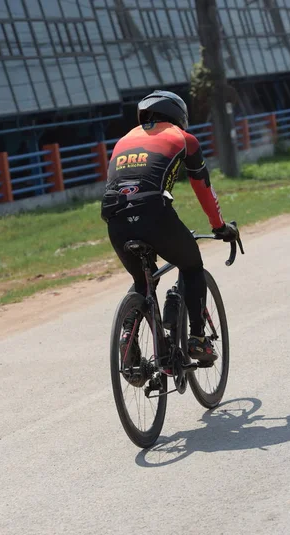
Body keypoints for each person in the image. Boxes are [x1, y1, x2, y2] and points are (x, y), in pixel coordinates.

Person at [101, 90, 238, 364]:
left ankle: (128, 334)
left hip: (114, 217)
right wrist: (219, 226)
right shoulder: (184, 138)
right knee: (191, 266)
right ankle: (198, 340)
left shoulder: (123, 142)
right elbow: (203, 188)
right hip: (154, 213)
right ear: (178, 115)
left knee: (143, 279)